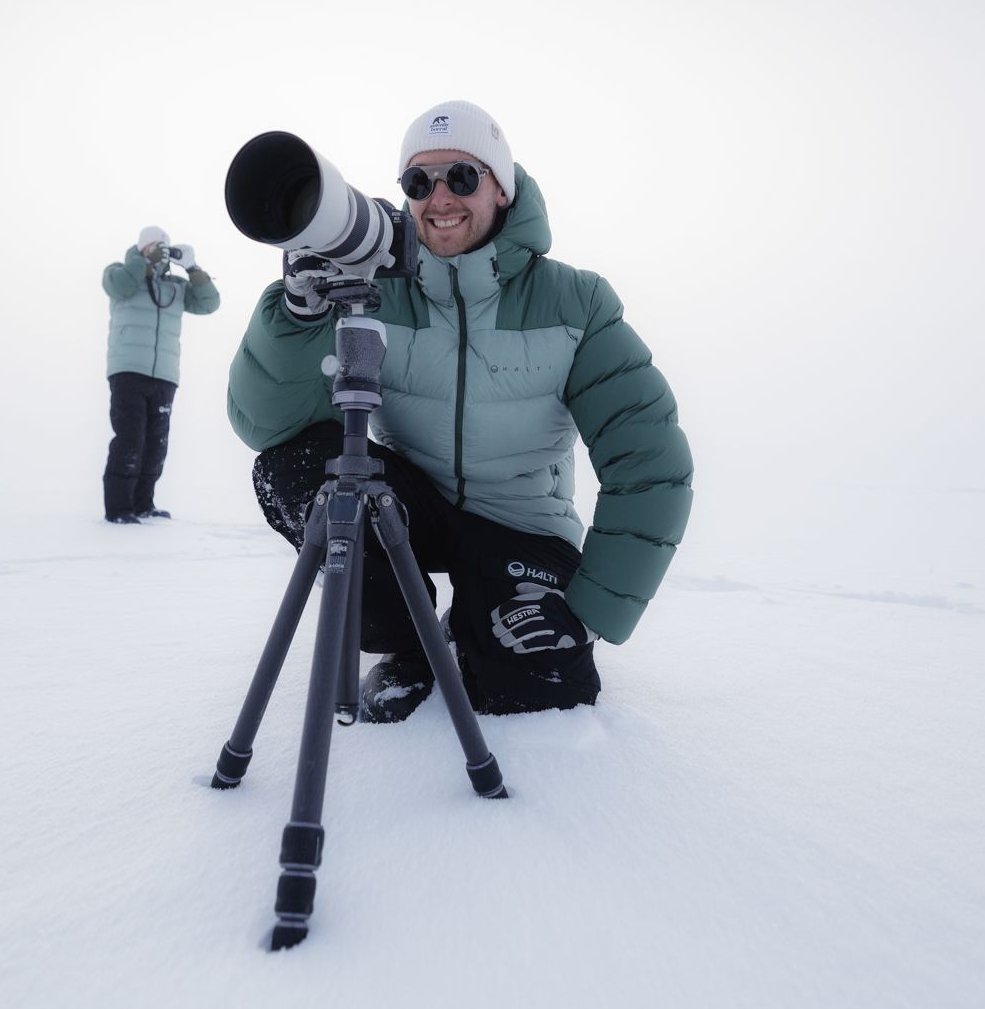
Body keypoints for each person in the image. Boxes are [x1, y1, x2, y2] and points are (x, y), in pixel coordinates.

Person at [227, 103, 692, 719]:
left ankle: (481, 616)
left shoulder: (576, 302)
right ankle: (409, 643)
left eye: (462, 177)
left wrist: (596, 610)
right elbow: (269, 426)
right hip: (411, 508)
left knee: (535, 689)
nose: (439, 197)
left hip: (522, 521)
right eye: (418, 183)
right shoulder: (374, 287)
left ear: (502, 187)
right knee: (300, 472)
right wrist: (297, 317)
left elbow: (649, 460)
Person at [102, 225, 221, 523]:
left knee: (156, 444)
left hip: (165, 375)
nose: (157, 253)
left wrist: (192, 267)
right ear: (139, 248)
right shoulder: (119, 274)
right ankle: (119, 509)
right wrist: (142, 262)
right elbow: (121, 285)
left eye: (162, 248)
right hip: (128, 370)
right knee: (130, 439)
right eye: (151, 247)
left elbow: (209, 303)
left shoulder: (176, 288)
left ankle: (144, 503)